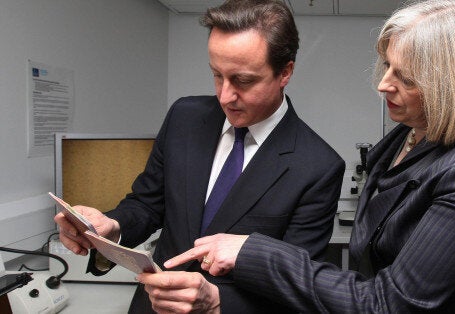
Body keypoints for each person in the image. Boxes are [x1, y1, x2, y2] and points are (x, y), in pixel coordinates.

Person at [150, 0, 455, 312]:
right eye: (388, 66)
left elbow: (389, 303)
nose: (383, 83)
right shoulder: (405, 138)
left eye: (406, 77)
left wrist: (253, 251)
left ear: (453, 85)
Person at [53, 0, 345, 313]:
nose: (225, 96)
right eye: (217, 75)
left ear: (285, 72)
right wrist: (111, 226)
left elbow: (296, 285)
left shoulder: (318, 166)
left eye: (243, 80)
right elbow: (147, 204)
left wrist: (218, 301)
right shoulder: (184, 117)